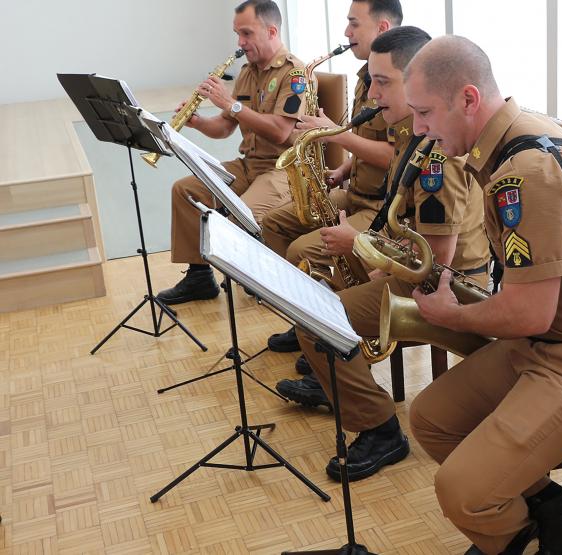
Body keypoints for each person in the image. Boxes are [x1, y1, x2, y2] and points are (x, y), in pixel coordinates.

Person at [403, 36, 562, 555]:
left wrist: (451, 315)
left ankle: (517, 541)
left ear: (469, 100)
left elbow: (529, 311)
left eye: (425, 113)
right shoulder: (515, 136)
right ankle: (555, 516)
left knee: (461, 493)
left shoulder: (525, 172)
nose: (417, 130)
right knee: (431, 419)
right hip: (547, 348)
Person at [275, 26, 491, 483]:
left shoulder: (435, 153)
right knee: (318, 297)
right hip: (414, 265)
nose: (370, 92)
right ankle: (340, 376)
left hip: (448, 286)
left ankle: (379, 428)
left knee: (318, 323)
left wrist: (362, 249)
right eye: (370, 80)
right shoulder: (407, 133)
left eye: (382, 82)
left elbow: (436, 260)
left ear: (417, 83)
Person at [259, 0, 402, 354]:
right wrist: (344, 168)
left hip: (383, 207)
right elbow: (369, 139)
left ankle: (329, 338)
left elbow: (397, 157)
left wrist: (334, 133)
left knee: (300, 250)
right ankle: (305, 321)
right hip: (356, 192)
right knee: (275, 223)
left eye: (354, 24)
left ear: (382, 28)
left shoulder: (400, 86)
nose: (346, 33)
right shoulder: (365, 78)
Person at [156, 0, 306, 304]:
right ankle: (200, 278)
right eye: (237, 34)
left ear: (272, 31)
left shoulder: (296, 74)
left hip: (284, 169)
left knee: (242, 216)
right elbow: (225, 127)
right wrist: (196, 121)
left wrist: (230, 104)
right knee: (185, 190)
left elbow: (280, 131)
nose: (240, 43)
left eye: (246, 34)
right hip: (250, 165)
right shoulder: (248, 73)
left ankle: (267, 282)